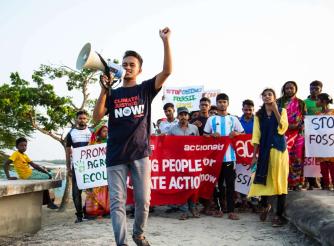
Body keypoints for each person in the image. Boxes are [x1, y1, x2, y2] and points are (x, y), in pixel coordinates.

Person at [93, 27, 172, 246]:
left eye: (132, 65)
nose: (127, 68)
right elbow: (96, 117)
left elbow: (167, 71)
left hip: (140, 154)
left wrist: (165, 41)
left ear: (139, 70)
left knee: (143, 200)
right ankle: (122, 243)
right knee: (117, 203)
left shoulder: (146, 89)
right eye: (124, 64)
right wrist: (104, 89)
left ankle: (138, 234)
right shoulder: (113, 93)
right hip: (115, 155)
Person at [248, 88, 289, 227]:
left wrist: (276, 109)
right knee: (264, 177)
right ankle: (265, 205)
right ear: (262, 98)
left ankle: (278, 216)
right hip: (265, 150)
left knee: (280, 181)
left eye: (269, 94)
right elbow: (256, 136)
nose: (267, 97)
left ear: (274, 97)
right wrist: (254, 156)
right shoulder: (258, 115)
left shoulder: (282, 111)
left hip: (279, 150)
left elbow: (283, 128)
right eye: (264, 95)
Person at [204, 93, 244, 220]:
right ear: (216, 103)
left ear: (228, 103)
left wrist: (236, 133)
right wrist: (212, 135)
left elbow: (243, 134)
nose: (222, 104)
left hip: (230, 158)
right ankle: (220, 209)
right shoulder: (211, 119)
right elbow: (204, 135)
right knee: (218, 185)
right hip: (216, 159)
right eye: (219, 102)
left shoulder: (234, 119)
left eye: (224, 102)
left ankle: (231, 211)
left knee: (230, 185)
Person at [4, 137, 58, 209]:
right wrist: (8, 176)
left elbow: (34, 165)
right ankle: (49, 202)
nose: (23, 147)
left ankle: (48, 201)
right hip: (27, 175)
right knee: (48, 177)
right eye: (21, 145)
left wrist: (46, 172)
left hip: (30, 173)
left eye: (25, 145)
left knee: (48, 176)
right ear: (17, 146)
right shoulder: (16, 154)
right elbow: (6, 164)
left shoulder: (25, 155)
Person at [168, 107, 200, 220]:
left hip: (192, 162)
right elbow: (168, 146)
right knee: (181, 186)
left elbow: (199, 144)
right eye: (181, 114)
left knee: (193, 185)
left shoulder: (194, 128)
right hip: (178, 162)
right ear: (178, 116)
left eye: (185, 114)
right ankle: (184, 210)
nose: (183, 116)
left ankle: (193, 208)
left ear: (188, 116)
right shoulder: (172, 130)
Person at [277, 81, 306, 191]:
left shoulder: (301, 103)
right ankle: (284, 182)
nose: (289, 90)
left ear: (295, 89)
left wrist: (298, 127)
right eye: (287, 88)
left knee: (297, 158)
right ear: (284, 89)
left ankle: (296, 183)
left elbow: (305, 118)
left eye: (291, 88)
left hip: (297, 135)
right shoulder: (278, 102)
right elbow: (276, 117)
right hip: (282, 134)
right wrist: (286, 126)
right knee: (283, 158)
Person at [65, 110, 92, 223]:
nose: (82, 120)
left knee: (94, 190)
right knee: (76, 192)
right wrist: (68, 168)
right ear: (76, 119)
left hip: (91, 165)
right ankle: (79, 216)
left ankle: (93, 212)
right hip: (78, 166)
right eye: (80, 118)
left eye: (84, 118)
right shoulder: (71, 133)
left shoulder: (92, 132)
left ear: (87, 119)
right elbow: (67, 151)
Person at [84, 123, 110, 218]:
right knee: (94, 192)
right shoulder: (92, 145)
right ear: (98, 133)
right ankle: (94, 212)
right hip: (96, 174)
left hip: (107, 172)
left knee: (108, 192)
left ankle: (107, 211)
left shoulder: (110, 143)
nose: (106, 133)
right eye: (104, 131)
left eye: (107, 131)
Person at [304, 80, 323, 189]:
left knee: (321, 159)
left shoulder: (325, 103)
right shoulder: (304, 102)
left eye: (316, 89)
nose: (314, 91)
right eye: (311, 88)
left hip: (322, 135)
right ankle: (311, 182)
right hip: (308, 134)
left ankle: (323, 181)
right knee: (309, 159)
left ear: (321, 90)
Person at [316, 93, 334, 190]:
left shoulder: (333, 113)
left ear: (324, 101)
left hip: (331, 143)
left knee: (332, 163)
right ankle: (326, 184)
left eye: (318, 100)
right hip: (322, 144)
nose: (316, 102)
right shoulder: (317, 115)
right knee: (323, 164)